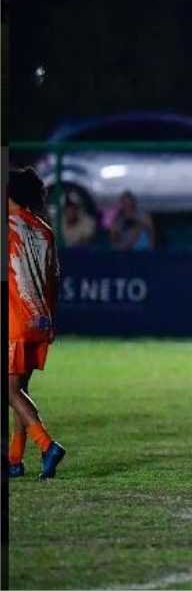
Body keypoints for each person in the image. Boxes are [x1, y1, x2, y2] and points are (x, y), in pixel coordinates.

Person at [7, 167, 66, 480]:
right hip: (40, 320)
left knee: (9, 389)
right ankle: (15, 460)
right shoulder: (45, 230)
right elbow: (55, 279)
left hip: (15, 320)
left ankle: (47, 445)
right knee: (20, 389)